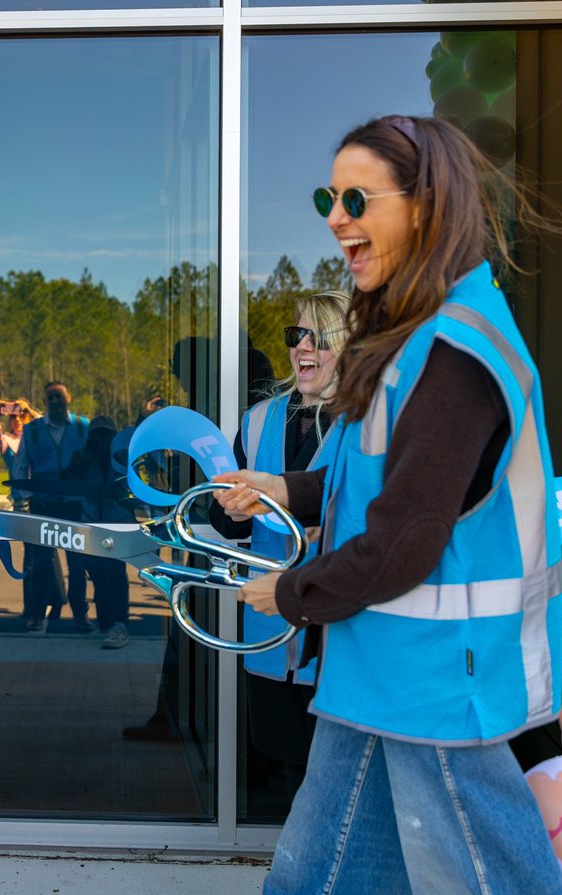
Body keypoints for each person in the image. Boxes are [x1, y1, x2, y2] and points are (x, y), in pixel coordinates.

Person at [215, 115, 562, 892]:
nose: (335, 218)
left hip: (438, 685)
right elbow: (376, 480)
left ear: (425, 205)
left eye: (356, 199)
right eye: (327, 199)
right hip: (378, 673)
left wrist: (291, 592)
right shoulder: (414, 341)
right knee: (315, 877)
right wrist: (282, 489)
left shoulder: (456, 353)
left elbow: (406, 536)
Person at [210, 290, 349, 800]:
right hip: (269, 638)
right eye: (297, 335)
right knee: (290, 774)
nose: (303, 347)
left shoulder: (369, 424)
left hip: (336, 641)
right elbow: (224, 521)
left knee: (334, 785)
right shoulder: (258, 419)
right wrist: (230, 510)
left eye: (320, 337)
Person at [10, 380, 92, 632]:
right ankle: (36, 614)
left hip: (75, 506)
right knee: (41, 564)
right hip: (43, 506)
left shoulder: (83, 426)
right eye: (50, 398)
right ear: (44, 402)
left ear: (68, 398)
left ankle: (80, 615)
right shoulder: (33, 430)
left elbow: (93, 464)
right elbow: (20, 467)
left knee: (77, 565)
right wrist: (27, 497)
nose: (55, 401)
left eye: (59, 396)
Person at [61, 415, 133, 648]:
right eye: (97, 435)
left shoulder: (121, 457)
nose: (101, 441)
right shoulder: (83, 456)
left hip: (116, 522)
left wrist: (114, 458)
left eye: (106, 435)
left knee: (116, 574)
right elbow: (67, 482)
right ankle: (106, 624)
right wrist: (83, 459)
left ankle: (119, 624)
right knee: (99, 575)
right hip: (91, 522)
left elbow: (129, 483)